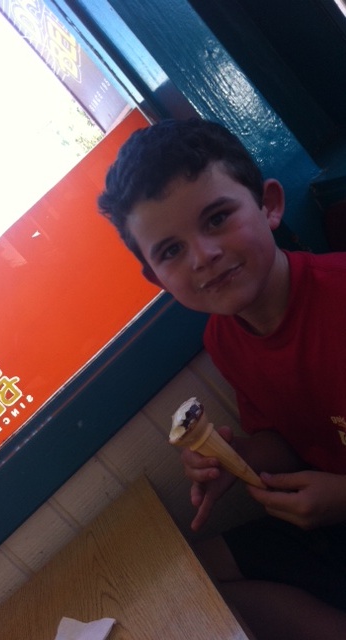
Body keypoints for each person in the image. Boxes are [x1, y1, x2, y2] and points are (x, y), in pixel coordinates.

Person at [97, 118, 346, 639]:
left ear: (269, 205)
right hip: (329, 518)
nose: (203, 256)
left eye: (217, 218)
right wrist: (236, 459)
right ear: (157, 278)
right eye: (171, 251)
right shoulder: (224, 340)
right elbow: (287, 438)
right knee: (188, 577)